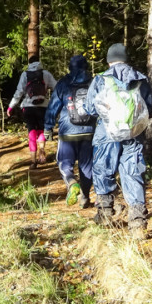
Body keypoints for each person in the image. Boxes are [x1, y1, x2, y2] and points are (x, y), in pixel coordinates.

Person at [85, 43, 152, 237]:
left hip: (106, 134)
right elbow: (150, 109)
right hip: (134, 134)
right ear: (125, 58)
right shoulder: (140, 79)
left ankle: (105, 214)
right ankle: (138, 224)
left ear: (109, 60)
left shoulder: (100, 79)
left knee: (103, 170)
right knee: (133, 172)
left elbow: (90, 108)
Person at [43, 55, 96, 208]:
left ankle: (71, 182)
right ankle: (85, 197)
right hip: (89, 131)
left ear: (69, 67)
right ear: (85, 66)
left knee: (64, 163)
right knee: (87, 166)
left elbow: (53, 106)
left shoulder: (63, 83)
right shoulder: (93, 82)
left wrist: (48, 127)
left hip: (67, 131)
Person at [7, 53, 56, 169]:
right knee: (42, 129)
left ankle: (33, 162)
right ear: (39, 62)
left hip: (28, 107)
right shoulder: (46, 74)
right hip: (43, 106)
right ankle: (42, 150)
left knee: (32, 132)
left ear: (29, 64)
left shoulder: (25, 75)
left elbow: (18, 92)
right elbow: (56, 87)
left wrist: (11, 107)